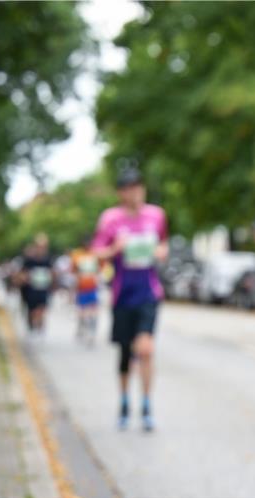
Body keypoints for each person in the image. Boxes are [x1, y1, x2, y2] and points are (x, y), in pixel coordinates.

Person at [91, 167, 168, 431]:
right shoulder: (111, 219)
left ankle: (146, 404)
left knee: (145, 349)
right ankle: (124, 401)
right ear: (121, 192)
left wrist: (160, 251)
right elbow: (97, 253)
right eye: (129, 188)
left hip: (149, 292)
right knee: (126, 353)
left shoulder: (156, 215)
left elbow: (164, 245)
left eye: (138, 186)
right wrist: (115, 249)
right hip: (123, 294)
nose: (135, 192)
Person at [17, 234, 53, 337]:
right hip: (31, 290)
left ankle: (39, 326)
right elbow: (22, 273)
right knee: (33, 310)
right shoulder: (29, 260)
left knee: (42, 309)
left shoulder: (48, 259)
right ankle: (33, 326)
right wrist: (25, 278)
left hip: (43, 289)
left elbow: (52, 273)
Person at [71, 242, 101, 346]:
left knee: (89, 311)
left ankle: (88, 329)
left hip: (91, 288)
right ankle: (85, 328)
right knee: (85, 311)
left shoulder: (94, 256)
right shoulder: (79, 257)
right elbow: (74, 272)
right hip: (84, 288)